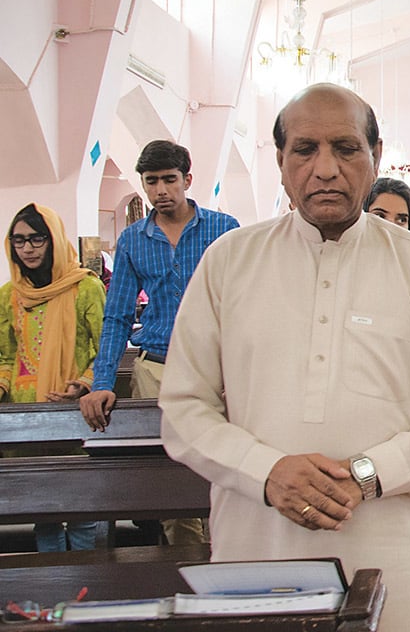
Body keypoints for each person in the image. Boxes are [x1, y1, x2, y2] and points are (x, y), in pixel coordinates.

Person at [158, 83, 410, 632]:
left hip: (396, 541)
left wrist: (367, 475)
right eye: (305, 149)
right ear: (282, 161)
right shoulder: (228, 262)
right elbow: (184, 409)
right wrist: (267, 473)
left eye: (346, 147)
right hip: (257, 538)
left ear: (374, 156)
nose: (326, 168)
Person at [81, 140, 238, 546]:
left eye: (170, 180)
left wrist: (240, 369)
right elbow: (117, 315)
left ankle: (225, 559)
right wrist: (102, 382)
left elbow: (244, 305)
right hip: (155, 367)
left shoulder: (224, 229)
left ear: (187, 179)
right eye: (151, 182)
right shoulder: (134, 240)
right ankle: (186, 569)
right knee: (171, 476)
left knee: (221, 469)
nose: (161, 190)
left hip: (215, 369)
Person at [0, 204, 108, 552]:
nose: (28, 249)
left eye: (36, 239)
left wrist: (86, 382)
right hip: (24, 416)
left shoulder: (85, 288)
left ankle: (85, 587)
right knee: (42, 509)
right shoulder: (9, 294)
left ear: (54, 240)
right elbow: (5, 355)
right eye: (19, 241)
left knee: (79, 507)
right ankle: (52, 594)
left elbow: (105, 348)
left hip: (74, 411)